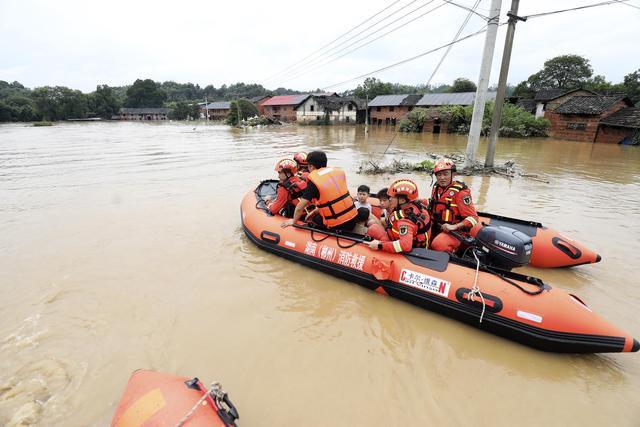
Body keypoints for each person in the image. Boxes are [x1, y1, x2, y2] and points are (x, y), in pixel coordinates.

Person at [282, 150, 358, 232]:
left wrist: (293, 221)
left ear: (311, 166)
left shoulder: (314, 182)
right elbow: (332, 198)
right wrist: (315, 211)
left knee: (313, 220)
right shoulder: (338, 173)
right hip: (353, 218)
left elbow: (300, 207)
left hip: (338, 225)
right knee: (315, 215)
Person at [427, 158, 479, 253]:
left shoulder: (461, 192)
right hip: (437, 226)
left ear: (453, 174)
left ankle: (454, 253)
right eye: (439, 174)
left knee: (438, 244)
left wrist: (455, 226)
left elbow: (474, 218)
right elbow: (434, 205)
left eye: (445, 174)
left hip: (456, 232)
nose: (442, 178)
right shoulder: (436, 188)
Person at [366, 179, 431, 253]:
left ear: (402, 200)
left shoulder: (405, 221)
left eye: (392, 197)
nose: (390, 199)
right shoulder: (420, 207)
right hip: (419, 244)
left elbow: (405, 246)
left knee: (373, 228)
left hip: (408, 253)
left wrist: (380, 245)